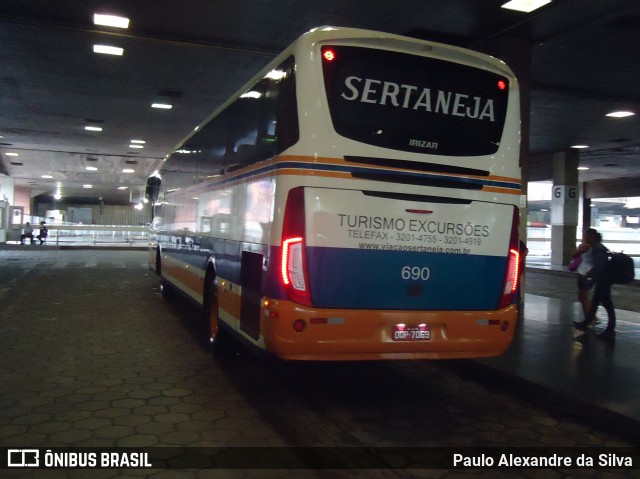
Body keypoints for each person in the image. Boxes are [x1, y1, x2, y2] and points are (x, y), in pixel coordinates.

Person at [573, 231, 616, 340]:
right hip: (603, 280)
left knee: (608, 305)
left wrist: (590, 281)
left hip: (603, 280)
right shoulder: (597, 248)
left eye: (586, 235)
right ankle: (586, 322)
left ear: (592, 237)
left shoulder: (598, 250)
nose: (585, 237)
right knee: (596, 302)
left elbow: (599, 269)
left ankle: (610, 329)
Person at [571, 229, 596, 318]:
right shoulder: (595, 246)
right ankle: (589, 317)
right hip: (584, 272)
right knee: (582, 297)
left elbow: (574, 255)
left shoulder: (586, 246)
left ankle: (590, 317)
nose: (584, 237)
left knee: (584, 297)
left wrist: (580, 249)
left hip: (585, 273)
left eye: (585, 235)